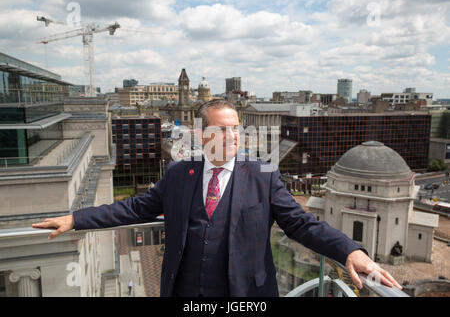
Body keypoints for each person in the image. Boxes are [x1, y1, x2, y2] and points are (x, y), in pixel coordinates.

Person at [32, 99, 402, 297]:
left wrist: (351, 252)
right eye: (223, 130)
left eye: (237, 129)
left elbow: (301, 223)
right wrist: (76, 219)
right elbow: (134, 207)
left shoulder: (263, 175)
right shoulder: (179, 174)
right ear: (201, 133)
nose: (234, 136)